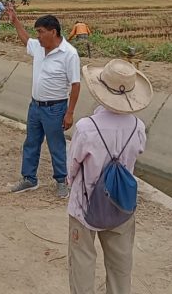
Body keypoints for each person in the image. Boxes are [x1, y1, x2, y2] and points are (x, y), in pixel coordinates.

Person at [67, 59, 152, 294]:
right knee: (120, 263)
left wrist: (70, 182)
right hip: (121, 203)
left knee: (82, 259)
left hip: (85, 203)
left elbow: (72, 166)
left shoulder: (86, 127)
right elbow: (138, 152)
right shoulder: (137, 127)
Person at [7, 7, 81, 198]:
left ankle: (61, 181)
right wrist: (15, 20)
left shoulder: (69, 54)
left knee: (56, 145)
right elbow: (26, 40)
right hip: (36, 107)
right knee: (31, 142)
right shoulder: (39, 48)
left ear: (53, 32)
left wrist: (70, 113)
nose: (37, 36)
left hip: (56, 109)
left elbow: (75, 85)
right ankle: (29, 179)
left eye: (40, 32)